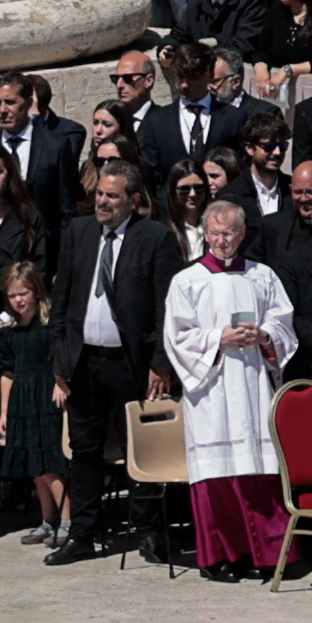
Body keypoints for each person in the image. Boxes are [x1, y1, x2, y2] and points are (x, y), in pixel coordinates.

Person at [46, 148, 181, 564]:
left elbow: (166, 309)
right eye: (100, 194)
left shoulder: (154, 238)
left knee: (139, 446)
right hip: (84, 361)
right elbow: (63, 298)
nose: (103, 202)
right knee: (84, 450)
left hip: (132, 363)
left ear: (134, 199)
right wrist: (61, 361)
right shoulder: (80, 232)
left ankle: (147, 531)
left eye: (112, 196)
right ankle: (83, 533)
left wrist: (160, 362)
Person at [157, 193, 300, 579]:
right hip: (211, 391)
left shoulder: (261, 275)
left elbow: (283, 321)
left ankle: (266, 556)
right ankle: (220, 556)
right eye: (215, 234)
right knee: (217, 478)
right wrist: (219, 338)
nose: (222, 241)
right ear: (204, 233)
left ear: (242, 234)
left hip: (252, 384)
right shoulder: (187, 280)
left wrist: (264, 334)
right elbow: (177, 337)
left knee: (259, 473)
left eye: (229, 233)